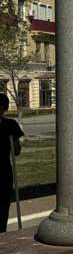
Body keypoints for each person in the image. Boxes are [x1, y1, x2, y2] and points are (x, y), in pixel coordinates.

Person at [0, 93, 23, 233]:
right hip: (4, 170)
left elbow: (16, 151)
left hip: (4, 171)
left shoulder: (10, 125)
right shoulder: (10, 124)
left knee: (2, 206)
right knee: (2, 206)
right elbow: (17, 150)